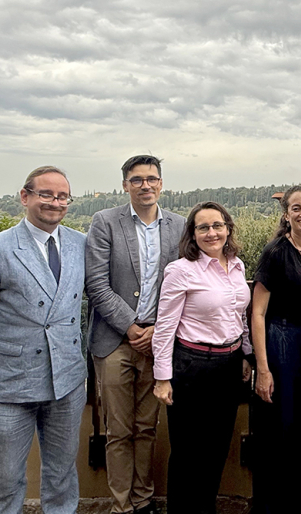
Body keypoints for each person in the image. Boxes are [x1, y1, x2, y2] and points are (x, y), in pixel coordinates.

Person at [0, 166, 86, 514]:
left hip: (67, 381)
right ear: (25, 196)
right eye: (46, 194)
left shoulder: (80, 244)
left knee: (62, 477)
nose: (54, 203)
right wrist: (8, 354)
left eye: (62, 196)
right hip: (8, 384)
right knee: (7, 480)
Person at [85, 155, 185, 514]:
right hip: (114, 341)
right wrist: (131, 326)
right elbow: (96, 283)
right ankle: (121, 505)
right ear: (125, 184)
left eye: (152, 178)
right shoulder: (104, 222)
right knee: (118, 430)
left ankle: (143, 502)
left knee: (147, 427)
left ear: (162, 184)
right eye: (137, 179)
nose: (146, 185)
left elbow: (183, 284)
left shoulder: (179, 225)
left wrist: (157, 329)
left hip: (158, 342)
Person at [150, 202, 252, 514]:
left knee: (217, 450)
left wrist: (246, 352)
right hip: (191, 367)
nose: (211, 232)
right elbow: (165, 326)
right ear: (192, 235)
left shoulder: (237, 266)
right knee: (188, 454)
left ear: (228, 228)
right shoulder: (180, 270)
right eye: (203, 227)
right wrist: (162, 377)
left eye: (217, 225)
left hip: (229, 366)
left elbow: (241, 317)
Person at [251, 185, 301, 513]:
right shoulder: (275, 252)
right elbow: (257, 313)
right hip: (283, 344)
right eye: (296, 208)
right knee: (282, 427)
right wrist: (263, 368)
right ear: (286, 214)